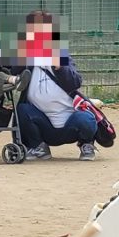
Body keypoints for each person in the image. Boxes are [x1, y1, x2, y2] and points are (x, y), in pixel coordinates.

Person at [15, 11, 99, 162]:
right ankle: (38, 146)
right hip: (43, 125)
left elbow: (76, 82)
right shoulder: (26, 59)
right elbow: (9, 70)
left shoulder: (62, 55)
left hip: (70, 124)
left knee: (87, 119)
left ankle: (86, 144)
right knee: (21, 110)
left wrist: (60, 66)